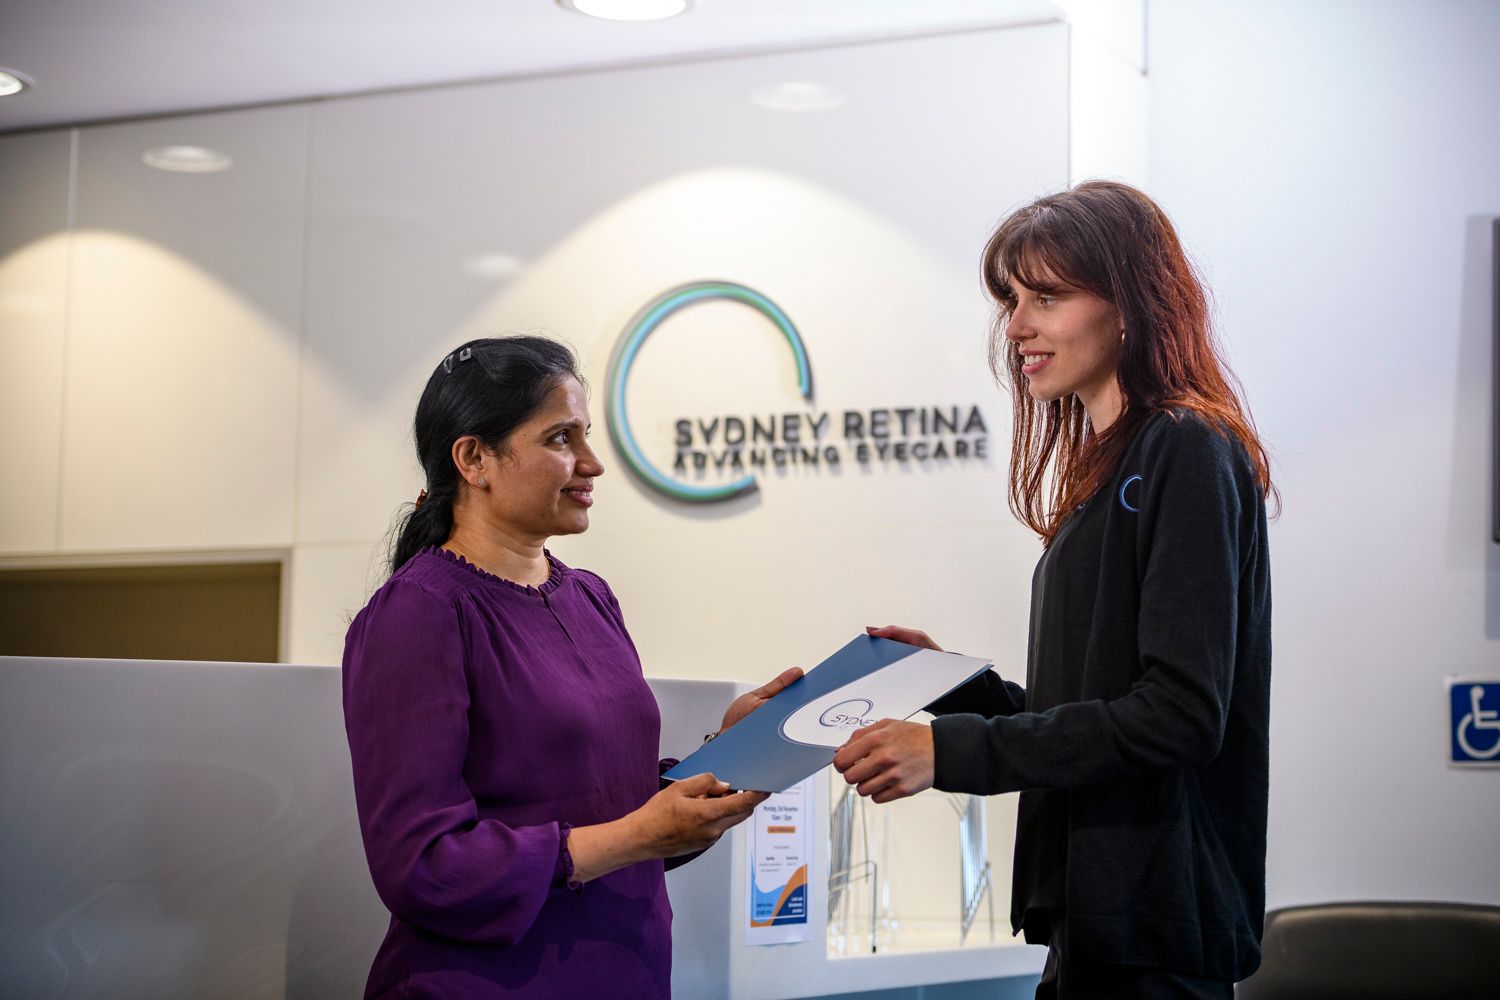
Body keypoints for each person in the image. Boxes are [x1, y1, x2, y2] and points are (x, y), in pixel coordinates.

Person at [832, 181, 1274, 998]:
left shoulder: (1186, 449)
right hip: (1094, 925)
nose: (1018, 326)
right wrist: (958, 686)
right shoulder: (1110, 470)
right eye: (1012, 300)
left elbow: (1178, 716)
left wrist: (951, 752)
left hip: (1155, 935)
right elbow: (1097, 708)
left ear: (1131, 306)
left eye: (1047, 296)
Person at [342, 336, 800, 999]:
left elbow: (611, 805)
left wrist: (728, 755)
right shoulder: (418, 614)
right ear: (474, 459)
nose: (592, 464)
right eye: (562, 439)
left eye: (586, 437)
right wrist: (634, 836)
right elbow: (421, 865)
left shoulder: (590, 595)